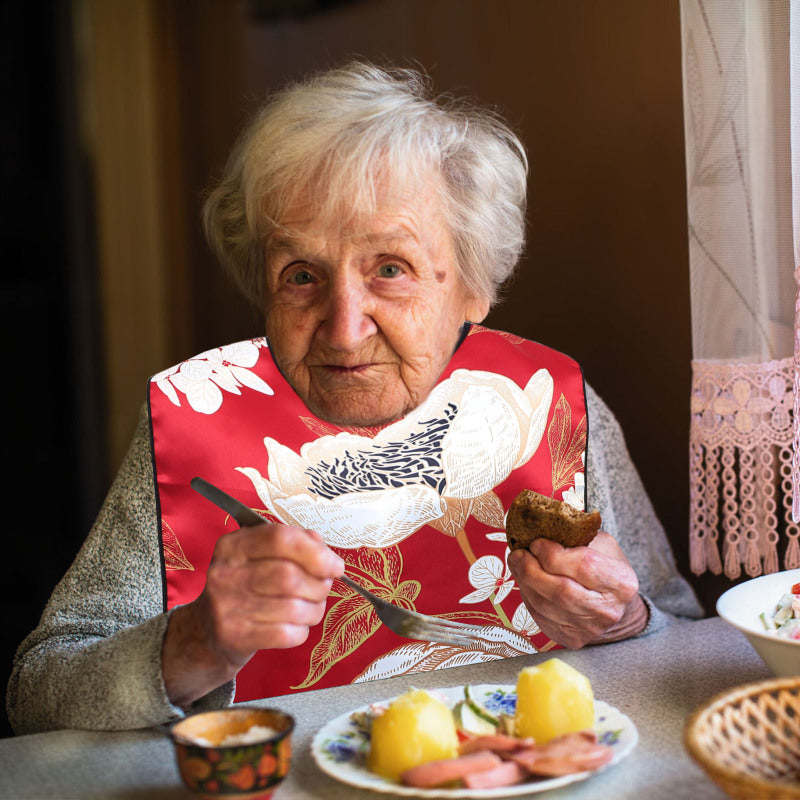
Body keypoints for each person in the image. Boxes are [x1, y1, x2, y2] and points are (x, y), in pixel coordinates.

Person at [7, 61, 702, 734]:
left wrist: (628, 621)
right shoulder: (195, 422)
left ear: (472, 286)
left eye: (391, 269)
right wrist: (195, 644)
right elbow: (39, 694)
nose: (343, 328)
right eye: (301, 275)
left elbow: (681, 634)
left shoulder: (548, 405)